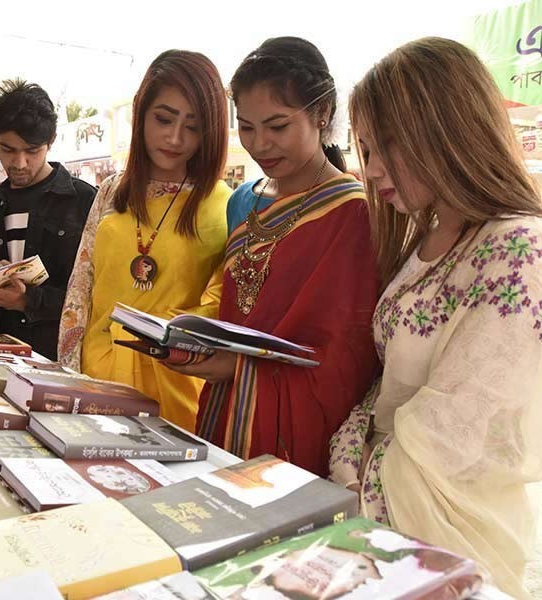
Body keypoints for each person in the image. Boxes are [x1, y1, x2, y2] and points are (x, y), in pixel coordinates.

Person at [328, 38, 542, 598]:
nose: (370, 171)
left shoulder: (519, 248)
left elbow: (453, 428)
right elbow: (390, 380)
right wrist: (349, 451)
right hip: (375, 502)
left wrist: (356, 481)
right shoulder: (426, 238)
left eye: (384, 147)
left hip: (447, 528)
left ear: (446, 127)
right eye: (366, 150)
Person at [164, 37, 379, 475]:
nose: (260, 144)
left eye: (277, 126)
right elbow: (235, 309)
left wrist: (239, 370)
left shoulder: (353, 212)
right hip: (223, 411)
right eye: (246, 127)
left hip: (296, 434)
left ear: (322, 115)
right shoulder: (241, 200)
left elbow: (345, 358)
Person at [58, 50, 232, 431]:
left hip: (174, 390)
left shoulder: (224, 205)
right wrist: (68, 373)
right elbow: (80, 289)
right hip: (96, 381)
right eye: (164, 119)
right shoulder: (111, 192)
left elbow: (220, 310)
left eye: (193, 126)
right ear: (141, 113)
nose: (175, 138)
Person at [0, 79, 96, 360]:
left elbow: (95, 294)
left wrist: (28, 300)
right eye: (8, 149)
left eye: (32, 151)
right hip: (0, 348)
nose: (19, 163)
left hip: (56, 354)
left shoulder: (85, 202)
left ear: (50, 143)